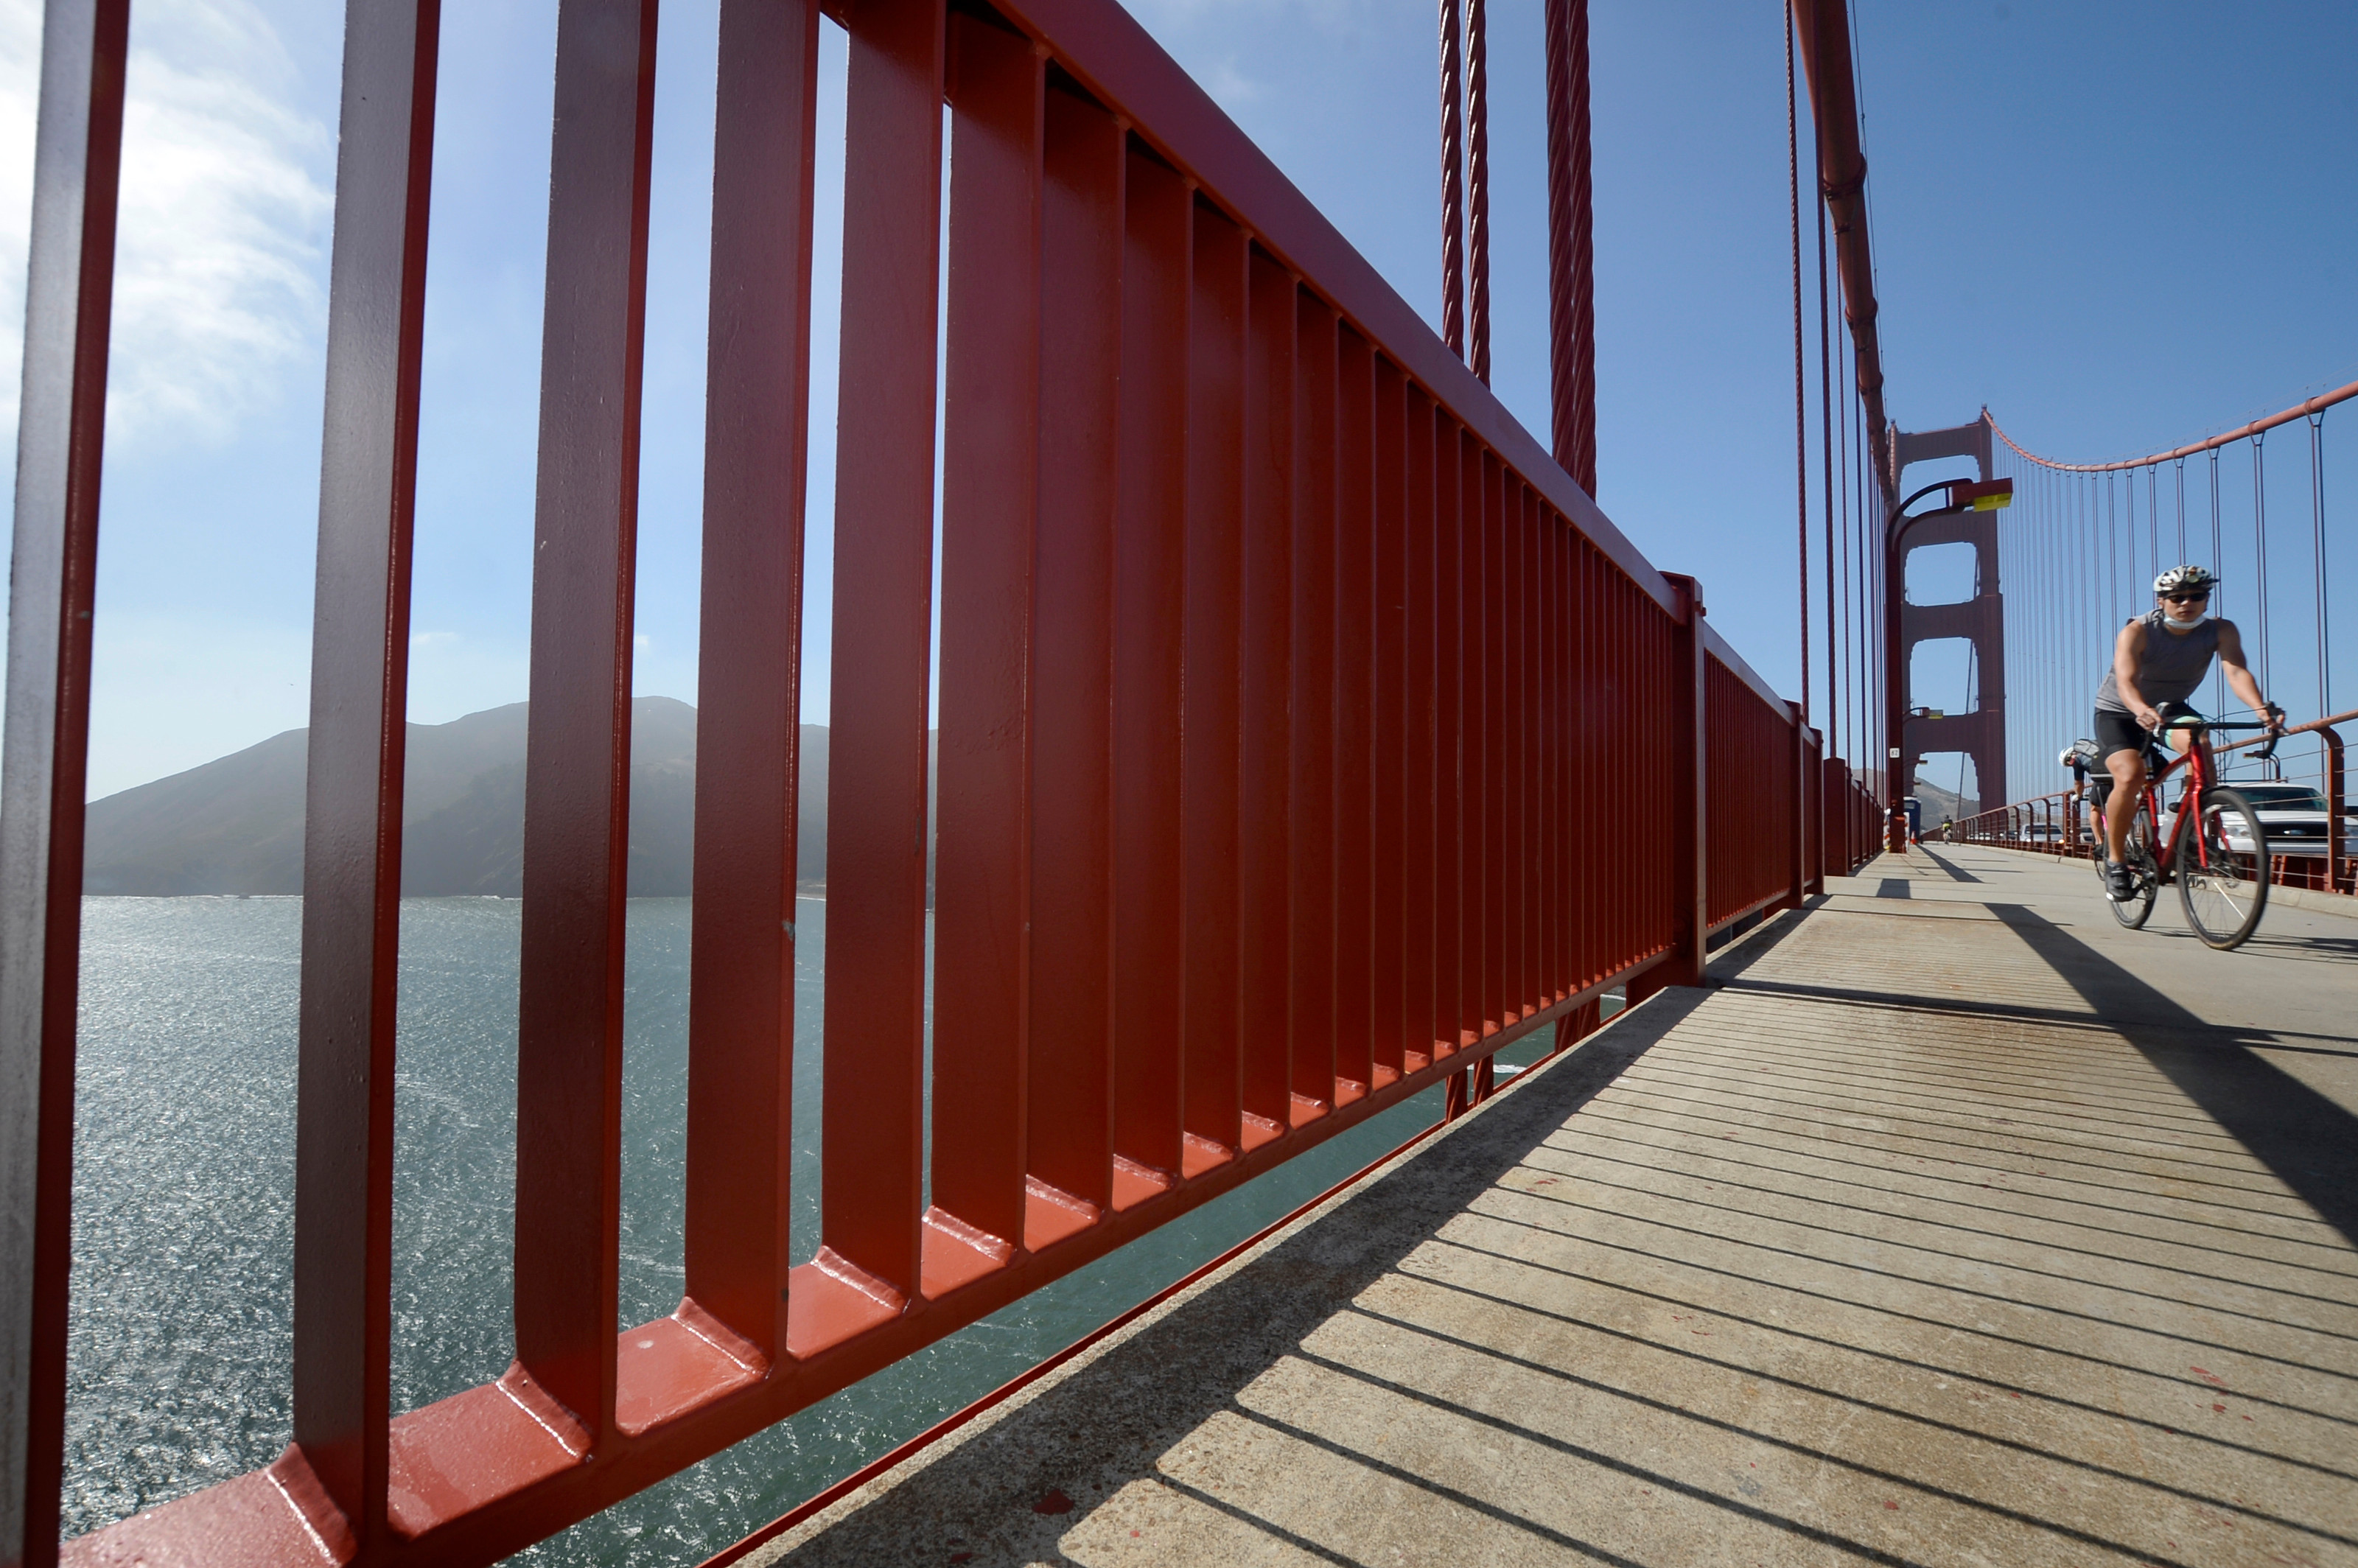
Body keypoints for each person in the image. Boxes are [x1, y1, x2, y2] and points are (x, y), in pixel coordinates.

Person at [2091, 564, 2281, 900]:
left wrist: (2261, 708)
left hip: (2170, 707)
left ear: (2207, 599)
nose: (2186, 603)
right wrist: (2141, 709)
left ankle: (2191, 823)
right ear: (2161, 600)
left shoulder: (2221, 630)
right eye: (2177, 597)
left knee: (2200, 743)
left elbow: (2236, 671)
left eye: (2196, 596)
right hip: (2120, 711)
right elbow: (2126, 681)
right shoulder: (2137, 631)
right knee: (2131, 774)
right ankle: (2116, 860)